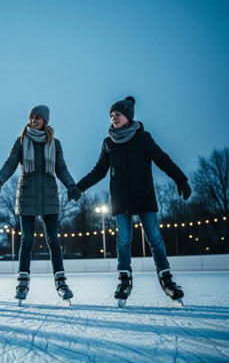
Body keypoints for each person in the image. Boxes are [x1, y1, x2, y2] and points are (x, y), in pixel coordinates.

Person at [76, 96, 192, 307]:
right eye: (111, 116)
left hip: (144, 196)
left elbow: (163, 160)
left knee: (155, 239)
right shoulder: (108, 142)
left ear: (128, 116)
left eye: (117, 114)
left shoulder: (143, 138)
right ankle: (124, 281)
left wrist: (181, 179)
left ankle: (167, 280)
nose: (114, 118)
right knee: (123, 241)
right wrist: (79, 187)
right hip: (120, 200)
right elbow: (99, 171)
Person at [0, 105, 81, 304]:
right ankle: (22, 282)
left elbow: (61, 168)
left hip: (49, 196)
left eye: (38, 118)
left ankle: (61, 283)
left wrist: (71, 185)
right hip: (27, 195)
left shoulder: (54, 143)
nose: (34, 121)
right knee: (26, 240)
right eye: (31, 117)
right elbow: (10, 164)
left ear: (45, 120)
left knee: (53, 241)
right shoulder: (21, 142)